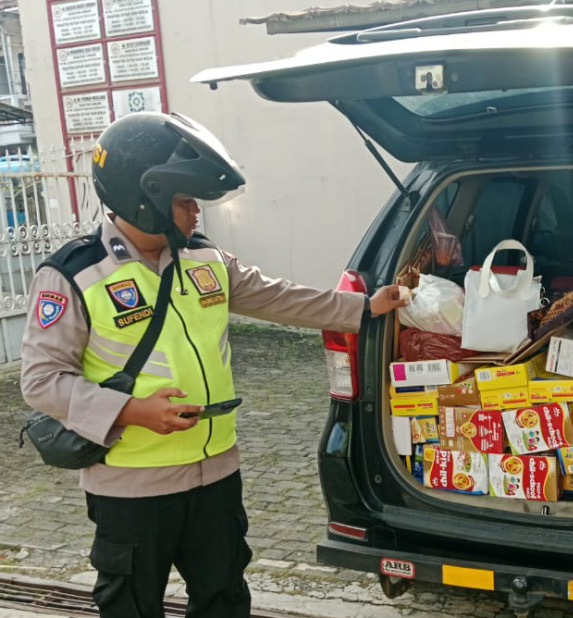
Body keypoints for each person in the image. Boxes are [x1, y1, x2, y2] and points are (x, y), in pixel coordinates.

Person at [20, 111, 409, 617]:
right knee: (130, 605)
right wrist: (133, 411)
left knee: (224, 598)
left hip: (216, 474)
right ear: (145, 197)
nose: (196, 211)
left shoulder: (204, 258)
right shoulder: (75, 273)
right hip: (132, 484)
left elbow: (278, 297)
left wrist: (364, 307)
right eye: (185, 200)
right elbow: (42, 381)